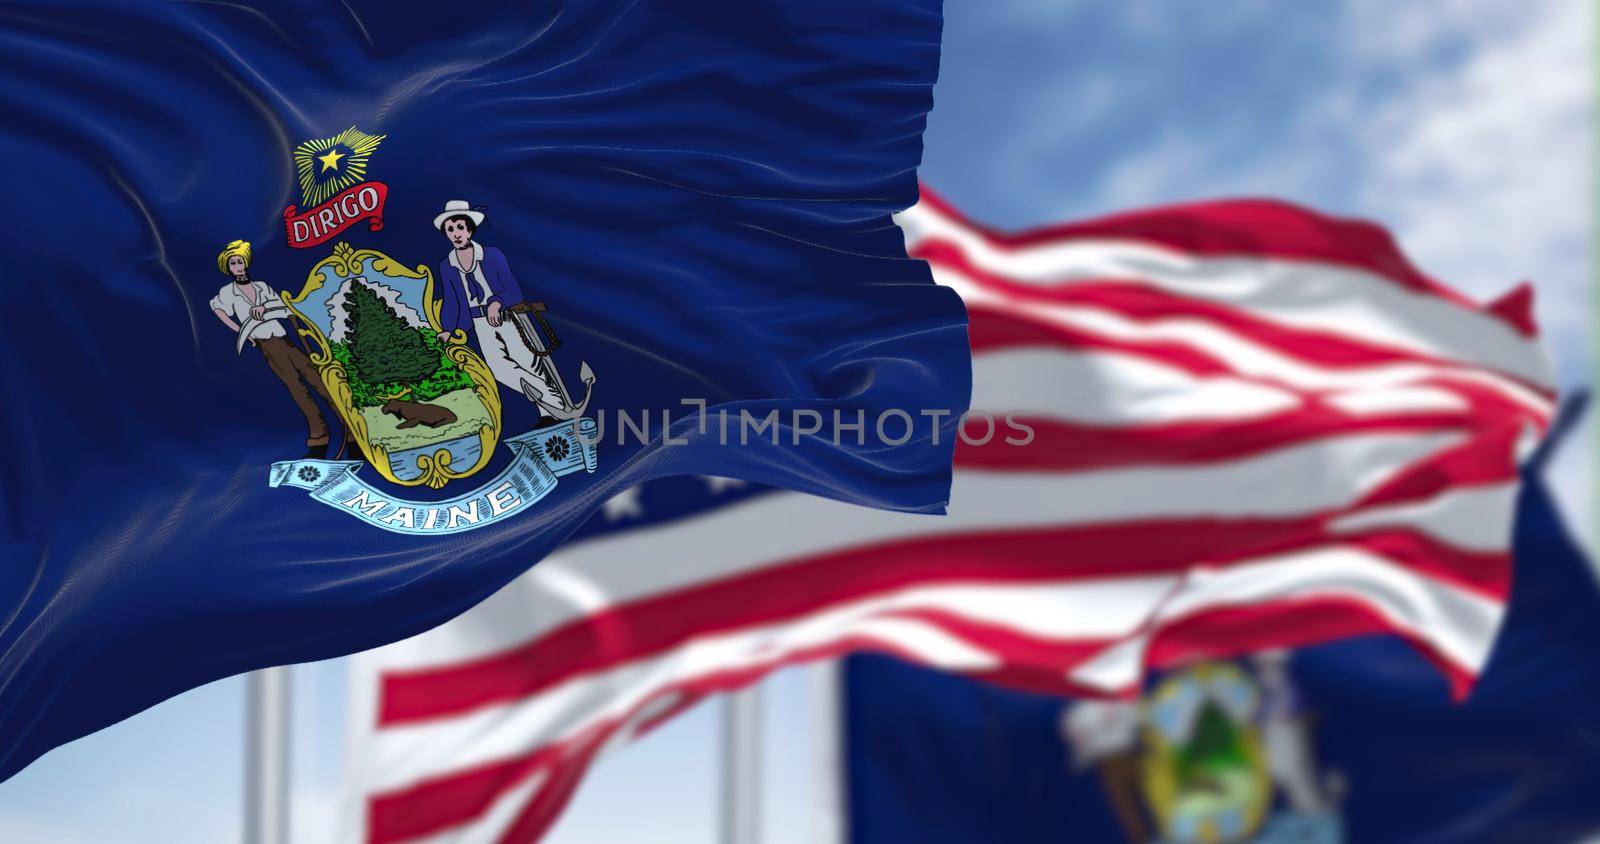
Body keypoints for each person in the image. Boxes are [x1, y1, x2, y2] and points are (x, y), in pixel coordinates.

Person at [209, 239, 341, 459]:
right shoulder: (228, 292)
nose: (238, 267)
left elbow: (283, 308)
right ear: (228, 267)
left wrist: (266, 307)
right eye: (233, 263)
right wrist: (243, 331)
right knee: (298, 389)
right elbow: (218, 309)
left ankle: (352, 432)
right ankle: (320, 440)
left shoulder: (261, 286)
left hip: (285, 339)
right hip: (267, 346)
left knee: (320, 381)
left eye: (240, 262)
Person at [432, 200, 560, 411]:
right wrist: (448, 329)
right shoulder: (447, 266)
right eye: (450, 229)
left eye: (460, 228)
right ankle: (553, 403)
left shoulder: (492, 255)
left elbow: (512, 289)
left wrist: (496, 302)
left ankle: (549, 411)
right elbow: (452, 299)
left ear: (470, 230)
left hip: (508, 316)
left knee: (529, 362)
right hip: (479, 322)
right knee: (500, 369)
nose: (456, 233)